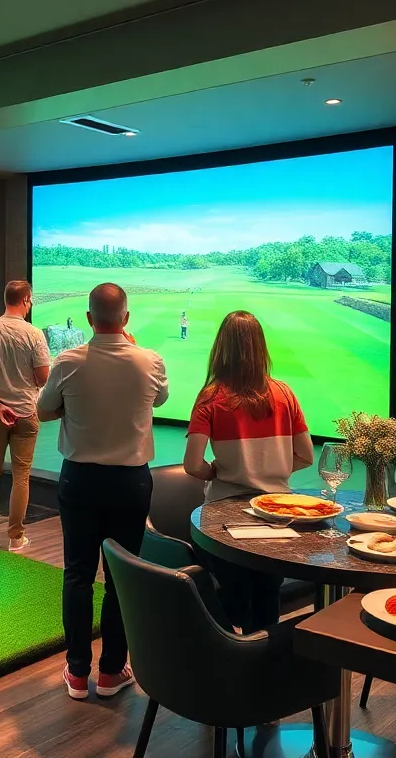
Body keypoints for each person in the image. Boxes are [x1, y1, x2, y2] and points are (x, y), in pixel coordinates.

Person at [37, 283, 168, 700]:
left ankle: (77, 673)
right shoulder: (150, 361)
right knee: (119, 578)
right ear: (126, 320)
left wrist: (69, 408)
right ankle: (112, 671)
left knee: (77, 574)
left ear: (90, 319)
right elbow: (160, 399)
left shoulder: (68, 361)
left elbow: (42, 410)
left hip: (80, 479)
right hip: (131, 482)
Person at [183, 310, 314, 632]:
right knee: (267, 596)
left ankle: (233, 658)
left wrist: (215, 472)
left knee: (234, 599)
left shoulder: (211, 396)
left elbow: (192, 464)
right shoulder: (284, 393)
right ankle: (263, 664)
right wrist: (275, 470)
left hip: (224, 517)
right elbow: (306, 456)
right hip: (280, 515)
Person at [0, 280, 50, 552]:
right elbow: (42, 377)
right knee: (21, 476)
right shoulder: (35, 334)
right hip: (27, 413)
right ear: (26, 300)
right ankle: (16, 538)